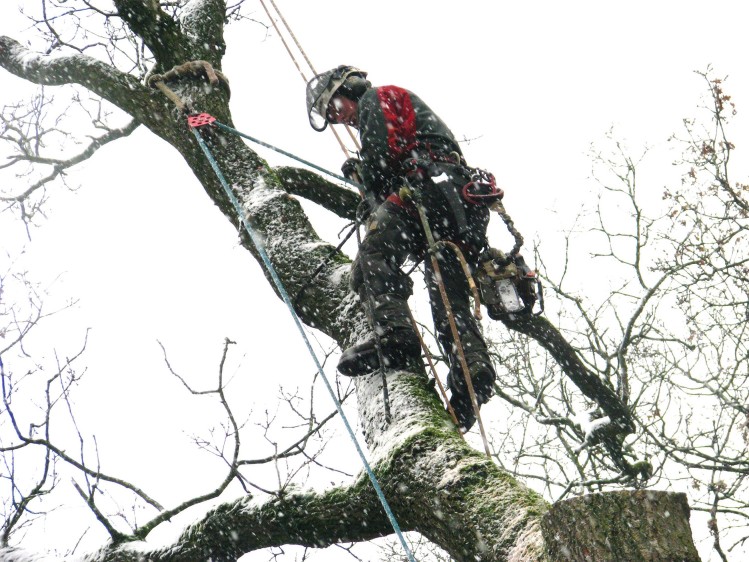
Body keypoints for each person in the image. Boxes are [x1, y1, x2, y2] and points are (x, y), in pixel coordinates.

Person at [305, 65, 498, 431]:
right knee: (447, 292)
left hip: (427, 189)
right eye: (331, 116)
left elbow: (381, 158)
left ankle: (395, 336)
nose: (338, 118)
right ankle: (471, 371)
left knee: (372, 260)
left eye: (336, 107)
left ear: (351, 88)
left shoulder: (380, 98)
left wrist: (366, 180)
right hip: (458, 200)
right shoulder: (397, 109)